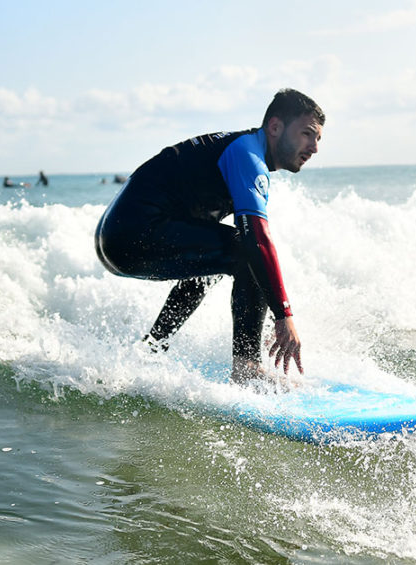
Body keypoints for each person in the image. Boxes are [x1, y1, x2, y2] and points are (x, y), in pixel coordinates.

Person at [94, 88, 324, 384]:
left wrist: (264, 318)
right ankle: (247, 369)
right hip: (133, 233)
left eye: (318, 139)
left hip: (117, 237)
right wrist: (283, 315)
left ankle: (151, 348)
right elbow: (257, 240)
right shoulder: (247, 156)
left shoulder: (240, 149)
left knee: (216, 258)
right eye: (307, 134)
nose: (314, 147)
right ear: (275, 127)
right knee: (243, 251)